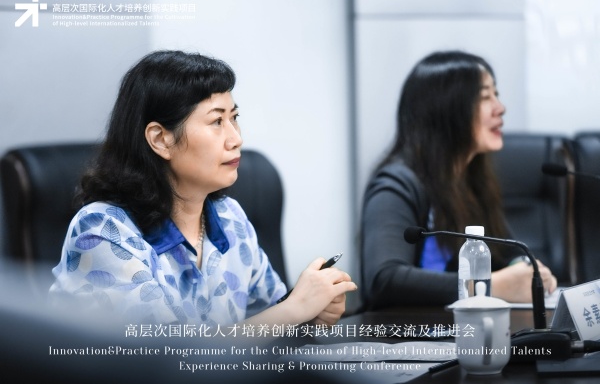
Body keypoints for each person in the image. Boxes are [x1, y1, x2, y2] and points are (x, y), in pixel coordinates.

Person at [49, 50, 357, 326]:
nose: (236, 139)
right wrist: (292, 311)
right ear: (160, 139)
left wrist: (310, 311)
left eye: (234, 118)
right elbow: (166, 359)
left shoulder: (230, 218)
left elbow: (266, 322)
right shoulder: (102, 231)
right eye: (217, 122)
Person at [360, 50, 557, 309]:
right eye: (485, 97)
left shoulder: (471, 180)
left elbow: (509, 253)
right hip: (406, 331)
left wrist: (526, 270)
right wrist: (488, 285)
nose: (500, 108)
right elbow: (384, 280)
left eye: (496, 94)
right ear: (446, 109)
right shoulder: (396, 184)